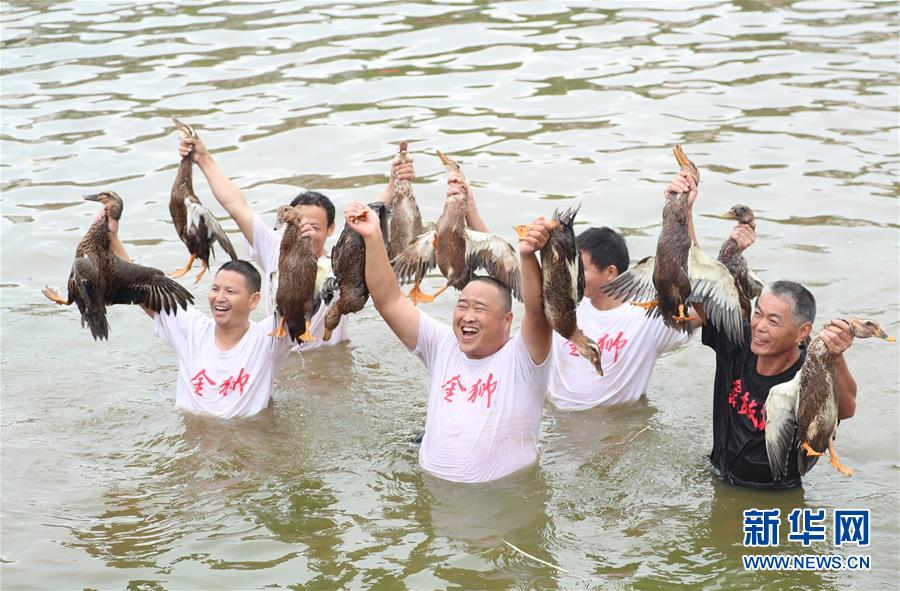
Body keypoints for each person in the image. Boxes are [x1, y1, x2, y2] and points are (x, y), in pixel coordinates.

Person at [661, 168, 862, 489]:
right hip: (720, 474)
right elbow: (699, 283)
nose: (760, 327)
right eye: (759, 314)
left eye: (774, 320)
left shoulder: (810, 371)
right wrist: (683, 210)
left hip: (775, 495)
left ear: (802, 332)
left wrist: (836, 358)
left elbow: (847, 410)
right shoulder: (737, 339)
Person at [343, 197, 554, 483]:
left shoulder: (523, 359)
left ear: (507, 321)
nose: (467, 316)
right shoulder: (443, 345)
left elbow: (538, 315)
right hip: (434, 491)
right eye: (462, 306)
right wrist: (373, 236)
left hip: (501, 496)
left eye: (480, 309)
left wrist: (528, 256)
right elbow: (389, 300)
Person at [176, 133, 414, 350]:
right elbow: (235, 205)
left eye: (314, 226)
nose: (304, 229)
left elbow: (370, 218)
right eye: (299, 222)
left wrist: (395, 181)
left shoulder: (340, 264)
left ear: (331, 229)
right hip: (281, 356)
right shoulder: (274, 248)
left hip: (327, 359)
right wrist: (202, 158)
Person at [108, 217, 293, 419]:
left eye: (230, 291)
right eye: (215, 289)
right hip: (193, 434)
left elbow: (304, 300)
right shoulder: (192, 329)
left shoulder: (269, 337)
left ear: (253, 300)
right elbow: (142, 288)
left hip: (245, 432)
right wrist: (113, 238)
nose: (219, 298)